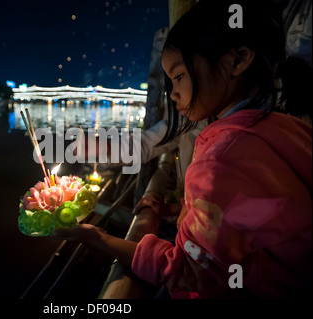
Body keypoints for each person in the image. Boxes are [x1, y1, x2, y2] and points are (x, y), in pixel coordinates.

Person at [54, 0, 312, 298]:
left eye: (179, 76)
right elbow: (254, 211)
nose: (173, 93)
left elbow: (188, 271)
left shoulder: (221, 159)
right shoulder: (289, 128)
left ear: (237, 60)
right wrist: (181, 208)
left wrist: (95, 237)